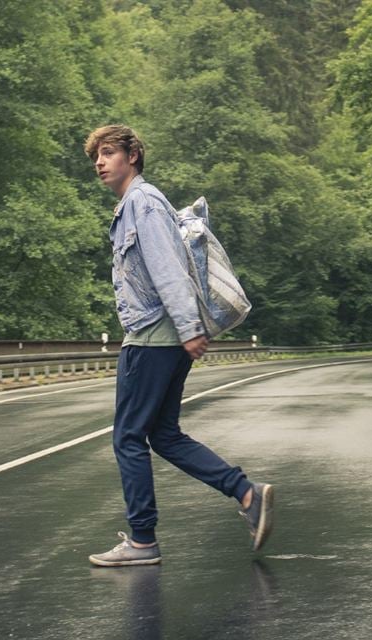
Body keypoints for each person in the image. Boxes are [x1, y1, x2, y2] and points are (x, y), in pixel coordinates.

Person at [82, 124, 273, 567]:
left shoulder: (142, 202)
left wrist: (189, 326)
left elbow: (168, 266)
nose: (99, 161)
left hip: (152, 337)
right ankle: (247, 494)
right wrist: (184, 329)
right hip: (163, 335)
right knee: (163, 435)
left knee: (128, 437)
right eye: (96, 155)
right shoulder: (135, 204)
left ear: (132, 155)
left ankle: (143, 540)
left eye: (108, 152)